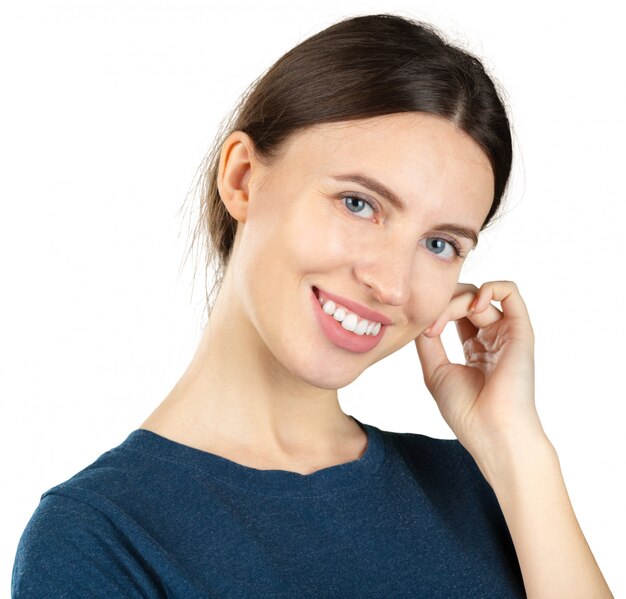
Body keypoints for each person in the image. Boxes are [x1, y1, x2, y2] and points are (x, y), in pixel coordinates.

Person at [11, 13, 613, 598]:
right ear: (243, 177)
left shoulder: (483, 487)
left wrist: (516, 444)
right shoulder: (101, 537)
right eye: (358, 204)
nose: (391, 284)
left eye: (439, 244)